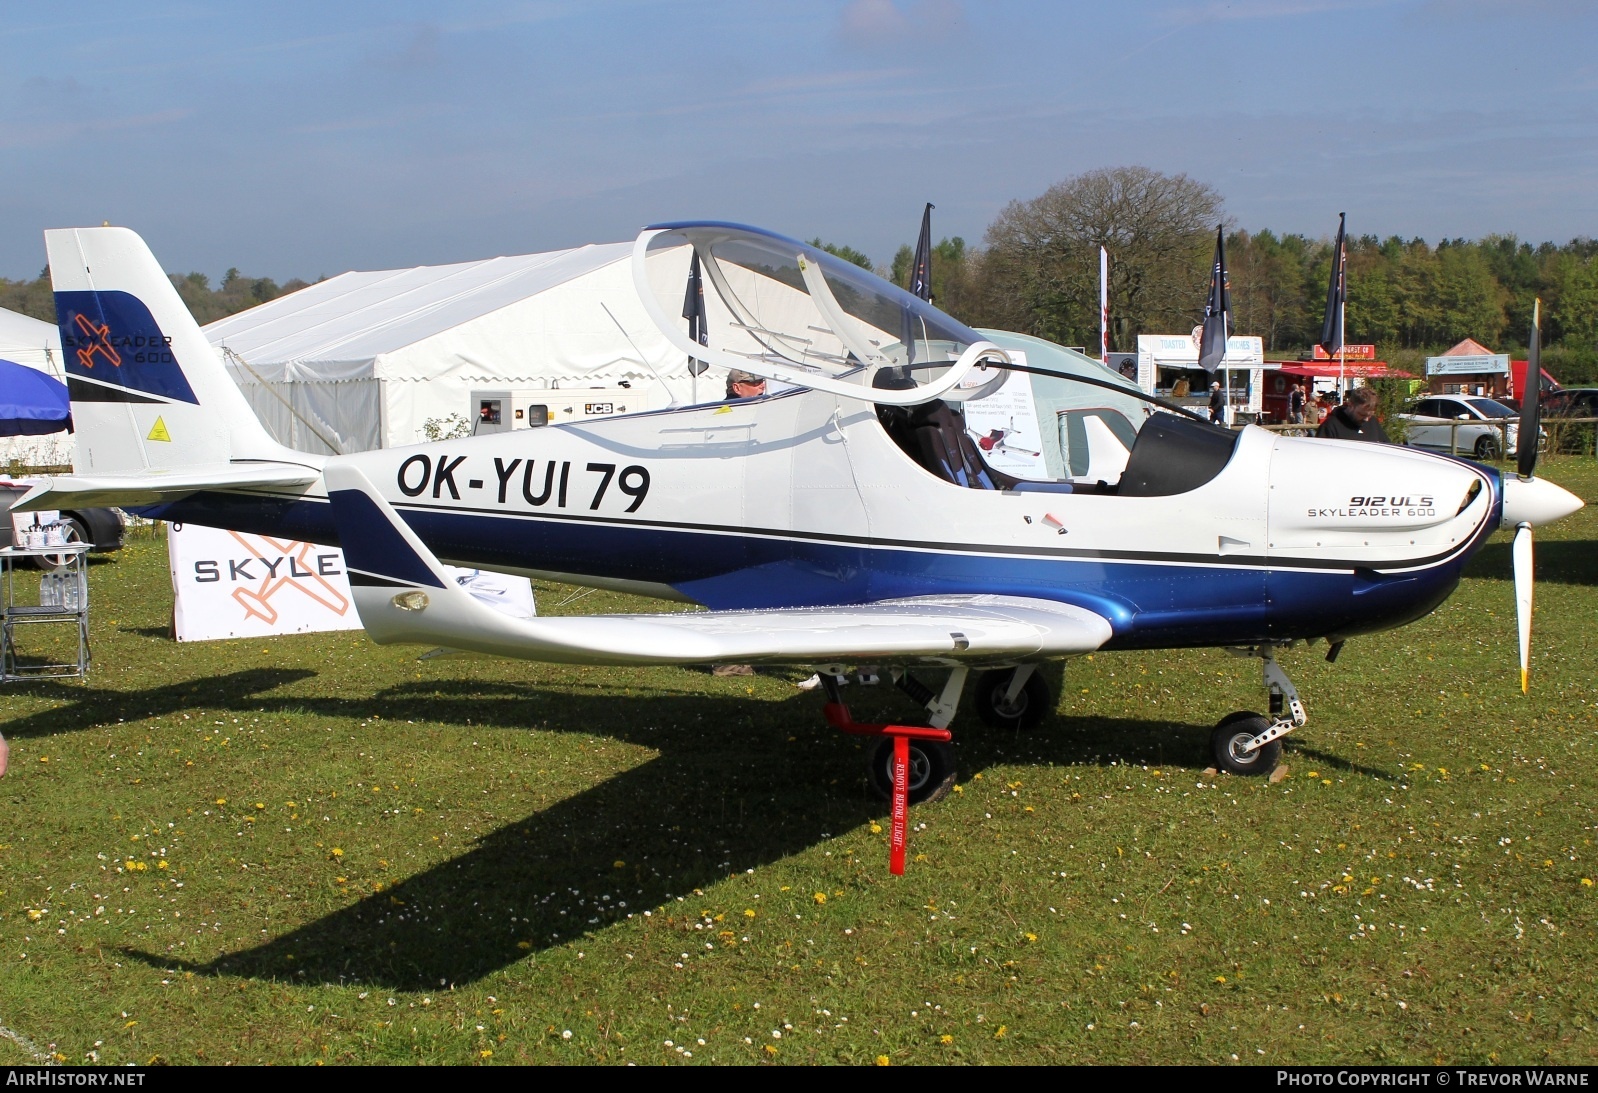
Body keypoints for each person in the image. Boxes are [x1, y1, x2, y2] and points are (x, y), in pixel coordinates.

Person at [1316, 385, 1390, 443]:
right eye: (1362, 414)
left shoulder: (1373, 422)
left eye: (1369, 415)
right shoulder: (1330, 426)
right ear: (1351, 405)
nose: (1366, 419)